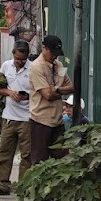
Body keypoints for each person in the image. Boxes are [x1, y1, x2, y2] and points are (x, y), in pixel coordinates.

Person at [0, 40, 33, 196]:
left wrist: (28, 96)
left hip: (27, 117)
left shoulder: (33, 68)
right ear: (13, 54)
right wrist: (9, 92)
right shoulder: (6, 66)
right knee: (5, 152)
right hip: (9, 117)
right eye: (17, 59)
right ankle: (3, 184)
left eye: (23, 59)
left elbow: (40, 90)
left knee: (27, 154)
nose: (20, 62)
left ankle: (23, 186)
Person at [28, 35, 74, 165]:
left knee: (63, 159)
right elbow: (47, 95)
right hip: (40, 120)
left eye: (57, 54)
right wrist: (60, 90)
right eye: (52, 53)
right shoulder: (37, 67)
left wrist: (57, 90)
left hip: (57, 120)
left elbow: (71, 87)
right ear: (44, 48)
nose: (54, 56)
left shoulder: (58, 65)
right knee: (40, 161)